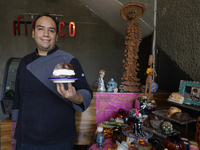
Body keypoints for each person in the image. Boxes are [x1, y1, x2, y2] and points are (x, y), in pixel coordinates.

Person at [11, 13, 93, 150]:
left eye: (51, 30)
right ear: (33, 33)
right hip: (27, 137)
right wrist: (15, 125)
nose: (46, 34)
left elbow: (86, 92)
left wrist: (75, 97)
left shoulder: (69, 61)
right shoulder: (24, 62)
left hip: (60, 138)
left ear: (56, 36)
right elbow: (17, 97)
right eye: (41, 29)